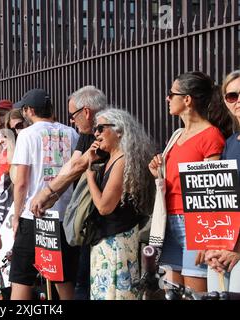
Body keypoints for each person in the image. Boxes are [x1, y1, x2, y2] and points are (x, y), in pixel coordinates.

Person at [148, 71, 233, 293]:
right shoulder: (177, 135)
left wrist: (208, 238)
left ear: (187, 100)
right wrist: (158, 173)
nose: (167, 98)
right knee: (173, 292)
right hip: (170, 221)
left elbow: (212, 190)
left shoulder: (211, 136)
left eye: (171, 93)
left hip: (193, 222)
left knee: (195, 294)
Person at [30, 85, 107, 300]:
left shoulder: (105, 130)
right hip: (87, 219)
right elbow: (72, 165)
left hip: (106, 220)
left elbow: (79, 166)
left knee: (88, 283)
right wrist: (50, 194)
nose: (71, 121)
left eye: (73, 115)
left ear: (86, 112)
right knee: (81, 279)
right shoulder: (85, 133)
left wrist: (48, 192)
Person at [10, 89, 80, 300]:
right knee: (64, 276)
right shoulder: (72, 133)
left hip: (34, 214)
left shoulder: (27, 135)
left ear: (30, 110)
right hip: (64, 214)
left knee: (22, 276)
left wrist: (16, 216)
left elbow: (21, 182)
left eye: (24, 109)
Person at [86, 108, 155, 300]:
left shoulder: (122, 161)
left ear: (119, 130)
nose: (96, 134)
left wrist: (89, 176)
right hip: (107, 242)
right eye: (95, 129)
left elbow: (104, 207)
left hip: (116, 243)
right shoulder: (112, 159)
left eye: (101, 128)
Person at [205, 70, 240, 292]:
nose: (238, 101)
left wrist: (238, 250)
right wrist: (213, 246)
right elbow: (223, 200)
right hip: (224, 251)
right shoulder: (230, 144)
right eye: (232, 96)